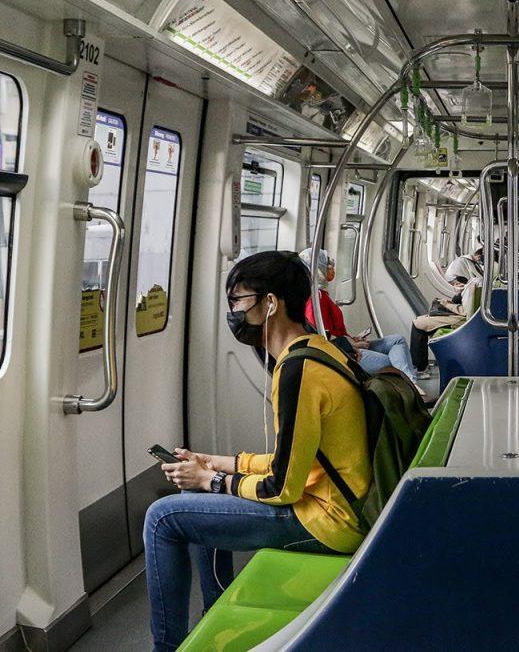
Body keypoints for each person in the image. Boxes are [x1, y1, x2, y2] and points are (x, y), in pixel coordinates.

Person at [143, 251, 370, 650]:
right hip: (337, 503)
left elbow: (282, 487)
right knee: (192, 493)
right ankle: (217, 611)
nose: (234, 312)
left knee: (162, 518)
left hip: (327, 522)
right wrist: (217, 463)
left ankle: (166, 647)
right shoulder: (318, 350)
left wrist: (213, 480)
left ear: (270, 303)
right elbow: (303, 459)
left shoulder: (298, 371)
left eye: (238, 301)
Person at [298, 248, 418, 384]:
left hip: (349, 344)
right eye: (327, 264)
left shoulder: (323, 295)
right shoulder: (314, 299)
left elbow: (336, 332)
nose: (331, 268)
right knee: (395, 363)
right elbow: (322, 339)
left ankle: (410, 383)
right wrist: (352, 345)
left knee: (398, 340)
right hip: (343, 352)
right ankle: (412, 385)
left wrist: (353, 339)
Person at [409, 276, 483, 372]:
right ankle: (420, 366)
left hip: (461, 319)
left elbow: (465, 311)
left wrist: (447, 304)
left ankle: (420, 368)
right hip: (461, 315)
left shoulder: (474, 284)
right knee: (420, 320)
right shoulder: (477, 281)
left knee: (418, 324)